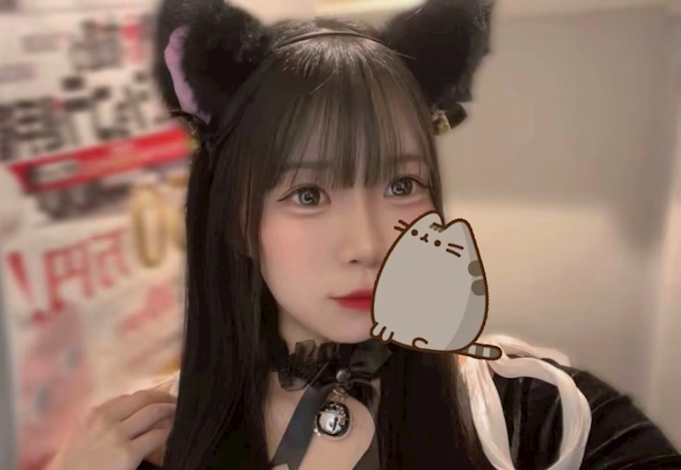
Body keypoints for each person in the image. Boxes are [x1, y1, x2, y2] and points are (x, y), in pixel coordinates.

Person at [48, 0, 681, 469]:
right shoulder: (156, 439)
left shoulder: (539, 412)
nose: (370, 245)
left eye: (402, 185)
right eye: (309, 194)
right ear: (239, 220)